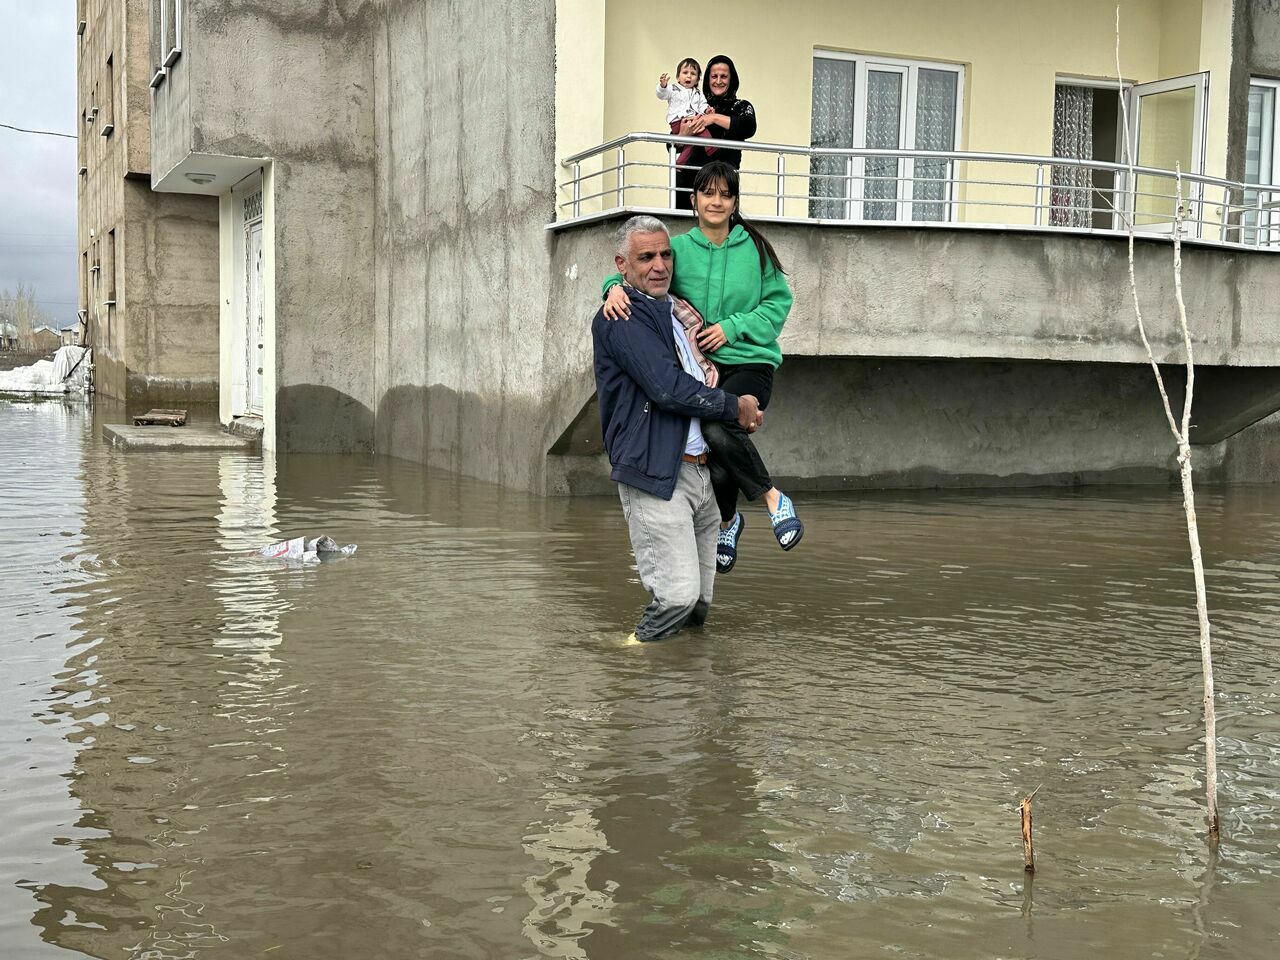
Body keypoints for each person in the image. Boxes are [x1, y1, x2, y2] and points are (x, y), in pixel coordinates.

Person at [602, 162, 801, 573]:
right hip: (703, 368)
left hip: (752, 362)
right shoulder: (679, 249)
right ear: (693, 200)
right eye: (708, 193)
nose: (717, 201)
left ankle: (770, 499)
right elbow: (637, 272)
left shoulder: (756, 250)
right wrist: (610, 290)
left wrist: (732, 327)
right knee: (712, 447)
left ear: (734, 202)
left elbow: (778, 306)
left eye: (725, 194)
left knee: (716, 426)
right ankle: (730, 521)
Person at [592, 215, 764, 642]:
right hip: (656, 475)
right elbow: (667, 389)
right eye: (645, 257)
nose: (659, 265)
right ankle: (627, 663)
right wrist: (733, 406)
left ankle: (684, 689)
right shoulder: (622, 317)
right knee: (676, 598)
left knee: (699, 606)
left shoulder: (676, 313)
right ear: (622, 265)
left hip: (702, 473)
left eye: (665, 254)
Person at [671, 54, 756, 211]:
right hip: (688, 184)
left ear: (731, 80)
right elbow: (672, 146)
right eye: (714, 76)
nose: (718, 81)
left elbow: (748, 126)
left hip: (722, 184)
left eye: (723, 76)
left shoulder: (740, 106)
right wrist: (683, 135)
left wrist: (714, 118)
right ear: (707, 79)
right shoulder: (696, 104)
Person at [656, 58, 717, 167]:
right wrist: (663, 86)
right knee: (703, 132)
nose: (688, 76)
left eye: (693, 74)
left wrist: (707, 110)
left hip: (692, 120)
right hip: (678, 121)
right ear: (678, 77)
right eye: (685, 73)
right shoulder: (673, 89)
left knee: (691, 142)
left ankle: (680, 163)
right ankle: (712, 149)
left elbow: (702, 104)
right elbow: (662, 95)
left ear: (697, 79)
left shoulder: (698, 93)